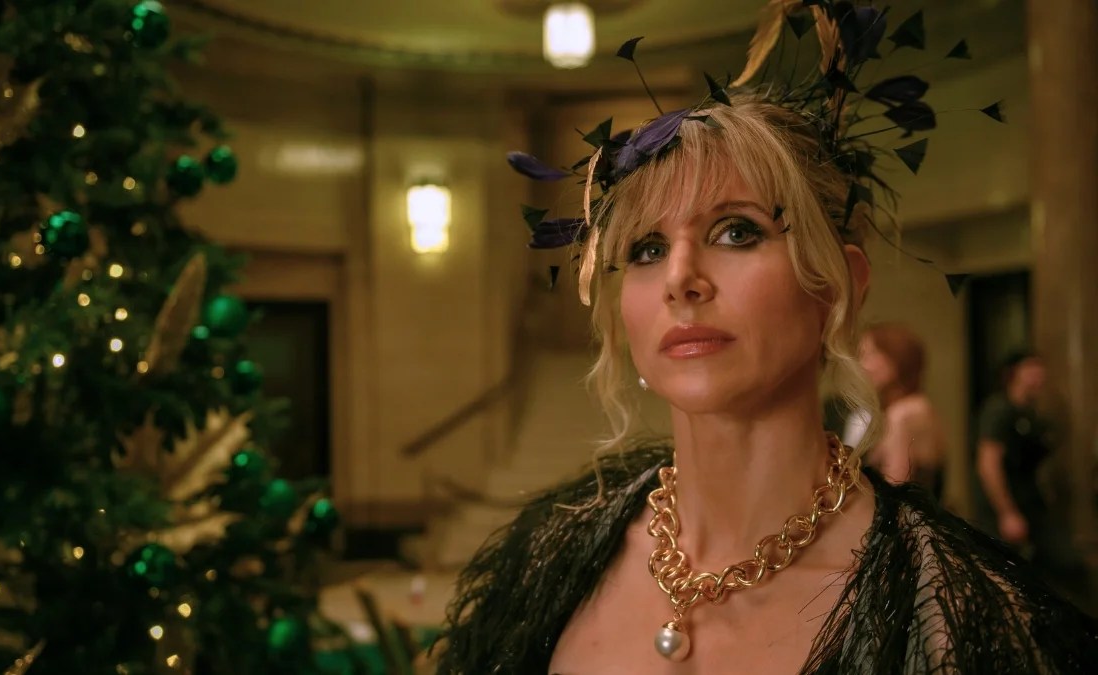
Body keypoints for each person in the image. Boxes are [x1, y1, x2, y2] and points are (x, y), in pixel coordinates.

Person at [436, 4, 1097, 673]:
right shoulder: (547, 560)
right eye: (647, 248)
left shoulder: (958, 619)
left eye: (736, 232)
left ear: (838, 285)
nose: (680, 279)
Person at [975, 351, 1053, 552]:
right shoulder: (999, 410)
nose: (1038, 376)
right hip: (1005, 506)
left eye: (1040, 370)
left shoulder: (1029, 413)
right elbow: (988, 463)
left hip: (1030, 503)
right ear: (1013, 374)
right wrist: (1007, 513)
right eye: (1030, 369)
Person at [858, 322, 947, 497]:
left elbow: (895, 487)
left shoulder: (901, 415)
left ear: (895, 359)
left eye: (870, 355)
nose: (863, 365)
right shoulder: (921, 406)